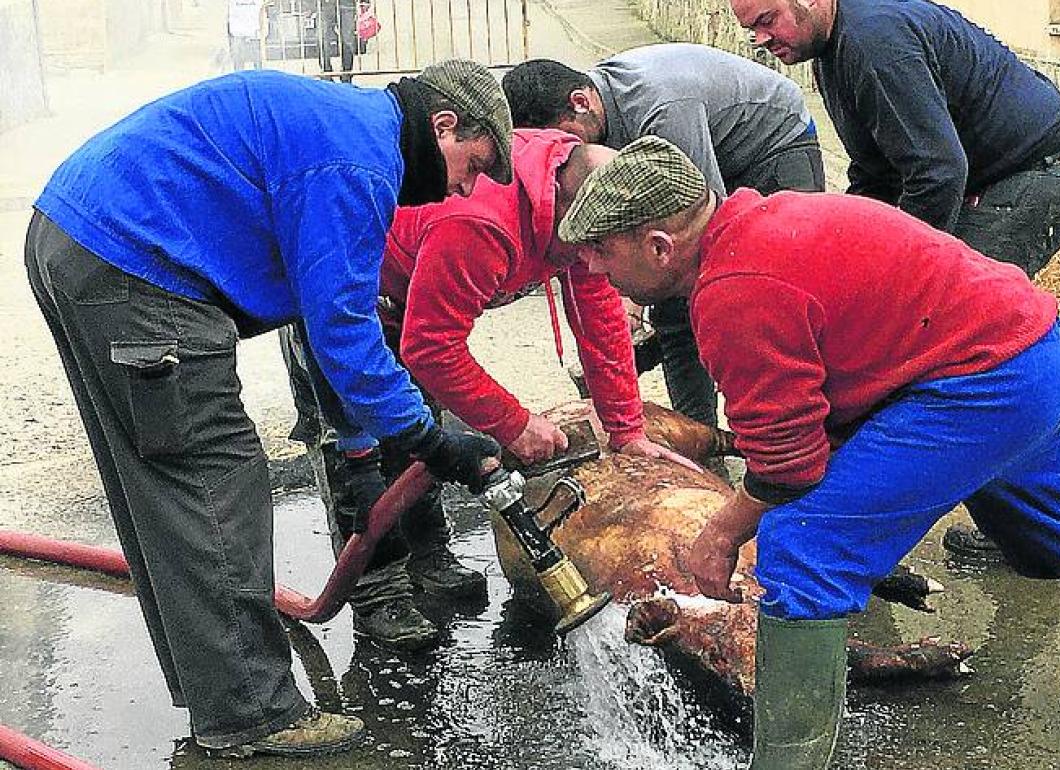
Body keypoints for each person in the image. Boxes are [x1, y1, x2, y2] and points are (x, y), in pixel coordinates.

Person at [558, 137, 1060, 769]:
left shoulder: (734, 291)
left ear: (659, 246)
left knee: (804, 545)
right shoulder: (766, 219)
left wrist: (719, 536)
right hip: (1039, 352)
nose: (593, 268)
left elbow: (787, 466)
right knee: (1044, 518)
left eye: (601, 251)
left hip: (980, 386)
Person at [25, 61, 514, 758]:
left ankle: (221, 695)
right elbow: (344, 331)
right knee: (213, 478)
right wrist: (431, 441)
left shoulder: (349, 130)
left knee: (165, 487)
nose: (466, 188)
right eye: (474, 165)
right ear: (443, 126)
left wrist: (358, 451)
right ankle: (251, 714)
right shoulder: (361, 166)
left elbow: (320, 320)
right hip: (133, 259)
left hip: (80, 234)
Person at [282, 130, 701, 652]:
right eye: (593, 251)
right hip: (339, 302)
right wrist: (513, 423)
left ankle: (429, 555)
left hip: (408, 301)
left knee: (423, 430)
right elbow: (431, 347)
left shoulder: (579, 205)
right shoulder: (482, 222)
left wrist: (626, 429)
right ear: (568, 211)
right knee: (359, 448)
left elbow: (599, 319)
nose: (595, 264)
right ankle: (376, 590)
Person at [728, 0, 1060, 562]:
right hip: (986, 178)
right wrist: (840, 251)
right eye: (750, 28)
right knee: (956, 358)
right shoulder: (832, 51)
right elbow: (876, 174)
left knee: (965, 355)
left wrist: (892, 285)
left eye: (766, 20)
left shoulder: (873, 42)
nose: (760, 38)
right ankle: (1027, 529)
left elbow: (937, 172)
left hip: (1034, 177)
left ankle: (1036, 533)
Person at [502, 43, 825, 431]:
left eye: (567, 139)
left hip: (773, 143)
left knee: (757, 294)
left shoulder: (663, 110)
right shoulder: (595, 123)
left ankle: (793, 426)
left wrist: (633, 297)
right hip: (712, 147)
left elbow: (703, 226)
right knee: (673, 308)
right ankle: (699, 434)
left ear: (581, 102)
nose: (565, 155)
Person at [318, 0, 358, 82]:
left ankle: (346, 75)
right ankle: (326, 74)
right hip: (324, 5)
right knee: (322, 39)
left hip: (346, 4)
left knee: (348, 40)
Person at [227, 0, 264, 71]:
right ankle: (239, 74)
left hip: (253, 32)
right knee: (238, 60)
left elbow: (262, 11)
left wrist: (261, 29)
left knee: (256, 59)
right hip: (237, 32)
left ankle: (257, 74)